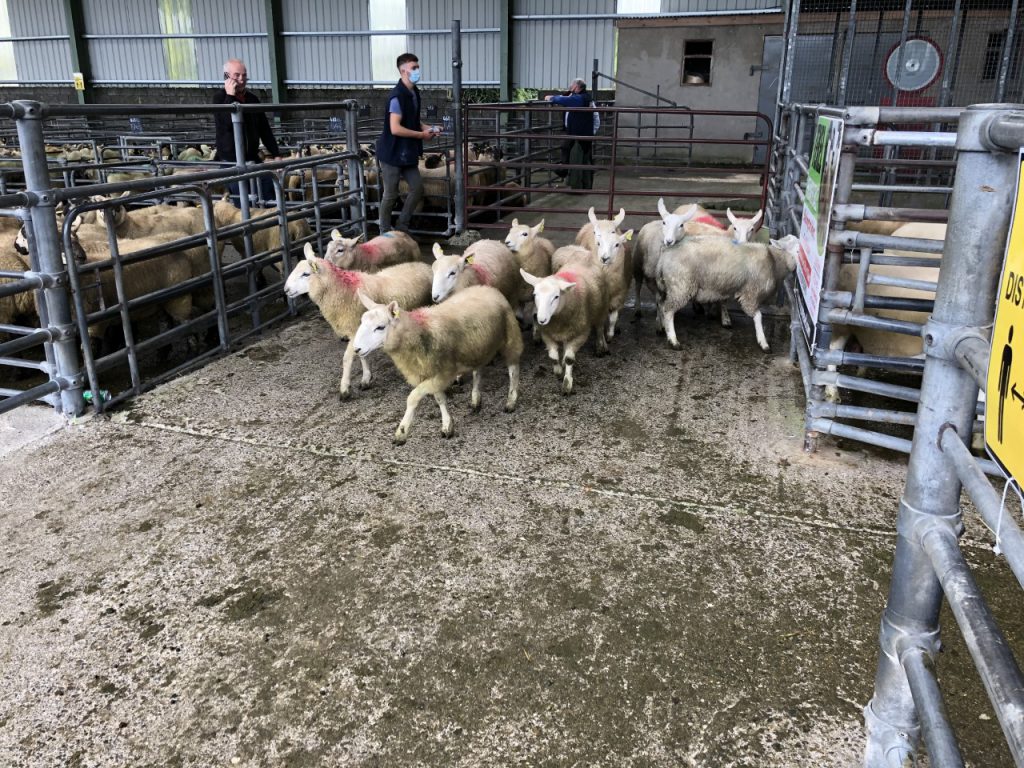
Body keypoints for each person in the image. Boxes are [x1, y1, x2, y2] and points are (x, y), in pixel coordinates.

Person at [376, 52, 439, 233]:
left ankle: (402, 227)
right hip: (392, 153)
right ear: (403, 71)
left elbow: (412, 121)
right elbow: (395, 128)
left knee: (417, 188)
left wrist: (430, 128)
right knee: (390, 194)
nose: (417, 71)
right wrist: (422, 136)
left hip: (407, 152)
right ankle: (384, 231)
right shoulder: (397, 97)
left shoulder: (413, 93)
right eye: (414, 68)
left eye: (417, 67)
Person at [212, 58, 281, 204]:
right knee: (242, 202)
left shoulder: (252, 99)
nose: (242, 79)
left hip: (252, 158)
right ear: (226, 76)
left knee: (269, 194)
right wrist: (230, 96)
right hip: (231, 161)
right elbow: (226, 124)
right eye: (237, 75)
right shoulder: (219, 98)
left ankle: (269, 224)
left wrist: (276, 154)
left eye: (244, 75)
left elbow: (264, 129)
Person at [544, 78, 597, 186]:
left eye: (572, 86)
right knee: (580, 157)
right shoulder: (586, 97)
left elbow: (566, 100)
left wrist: (552, 98)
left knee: (577, 159)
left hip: (579, 135)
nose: (570, 88)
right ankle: (583, 183)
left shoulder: (580, 98)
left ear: (577, 87)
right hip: (581, 134)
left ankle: (576, 183)